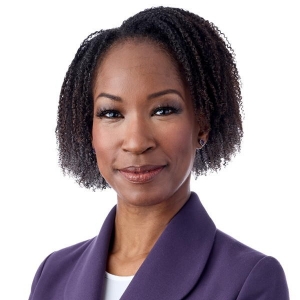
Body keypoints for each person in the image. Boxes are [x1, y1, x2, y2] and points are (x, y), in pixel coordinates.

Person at [28, 6, 289, 300]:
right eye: (112, 113)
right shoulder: (53, 274)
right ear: (89, 128)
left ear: (201, 123)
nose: (137, 142)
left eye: (163, 110)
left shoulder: (248, 280)